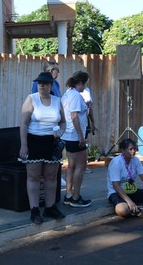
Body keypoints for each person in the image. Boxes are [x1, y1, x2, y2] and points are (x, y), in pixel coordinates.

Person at [19, 71, 67, 225]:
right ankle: (34, 210)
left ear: (51, 85)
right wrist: (24, 145)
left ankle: (50, 207)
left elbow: (63, 122)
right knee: (33, 176)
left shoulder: (57, 100)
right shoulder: (31, 99)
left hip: (51, 142)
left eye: (45, 83)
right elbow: (24, 124)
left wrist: (60, 133)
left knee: (51, 176)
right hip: (34, 140)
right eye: (39, 83)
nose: (41, 85)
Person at [107, 138, 143, 218]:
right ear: (123, 150)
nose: (133, 151)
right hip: (117, 193)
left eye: (135, 149)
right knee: (122, 210)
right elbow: (116, 186)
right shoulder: (116, 162)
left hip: (131, 190)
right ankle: (134, 209)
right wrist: (129, 201)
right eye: (130, 149)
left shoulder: (135, 160)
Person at [61, 71, 92, 208]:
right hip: (74, 136)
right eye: (85, 84)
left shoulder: (68, 93)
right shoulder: (75, 96)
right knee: (81, 165)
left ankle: (68, 195)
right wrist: (81, 136)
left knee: (72, 166)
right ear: (80, 83)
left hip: (68, 135)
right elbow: (74, 116)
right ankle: (76, 196)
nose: (85, 87)